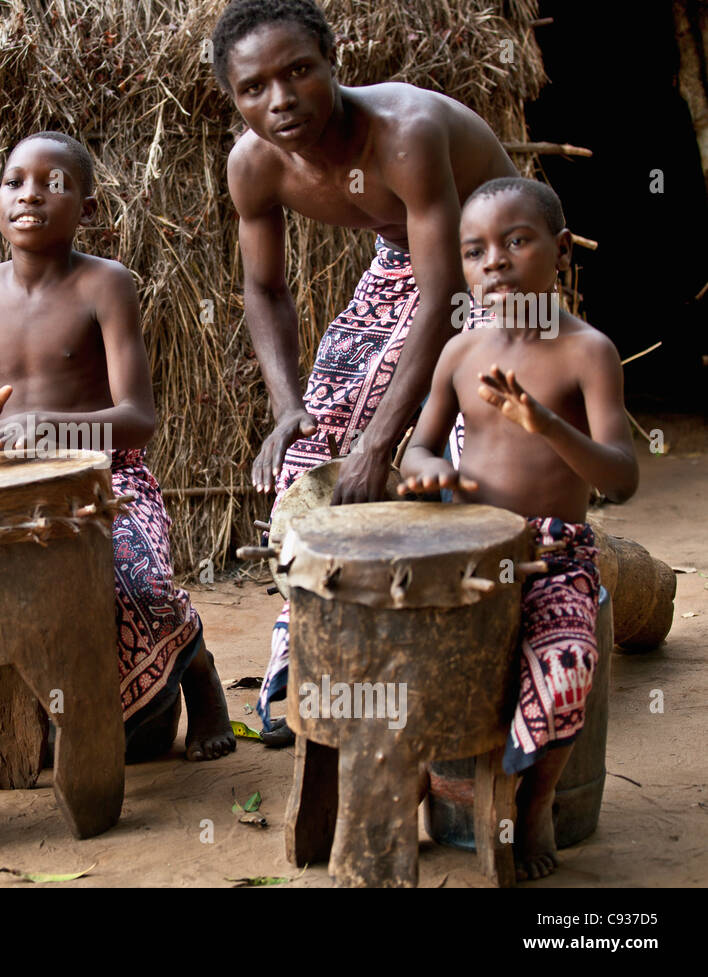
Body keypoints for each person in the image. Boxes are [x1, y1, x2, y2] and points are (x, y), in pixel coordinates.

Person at [211, 0, 519, 743]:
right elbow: (266, 288)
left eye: (298, 73)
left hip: (492, 262)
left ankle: (503, 653)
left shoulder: (404, 134)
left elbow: (446, 292)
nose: (280, 100)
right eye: (254, 88)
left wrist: (385, 437)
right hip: (401, 255)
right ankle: (315, 656)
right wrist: (289, 405)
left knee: (466, 448)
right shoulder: (254, 165)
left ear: (333, 61)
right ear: (233, 96)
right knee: (313, 452)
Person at [0, 131, 236, 790]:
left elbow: (138, 419)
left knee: (134, 580)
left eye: (52, 182)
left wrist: (45, 427)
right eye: (14, 181)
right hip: (3, 486)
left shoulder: (105, 284)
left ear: (86, 209)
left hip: (106, 480)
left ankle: (199, 672)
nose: (31, 193)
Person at [397, 177, 638, 880]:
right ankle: (417, 783)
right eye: (475, 251)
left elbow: (620, 476)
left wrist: (547, 424)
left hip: (552, 555)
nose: (494, 262)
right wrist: (429, 471)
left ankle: (534, 803)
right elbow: (418, 444)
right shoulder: (461, 352)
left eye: (516, 241)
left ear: (560, 251)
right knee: (405, 651)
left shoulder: (587, 352)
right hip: (467, 545)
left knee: (566, 669)